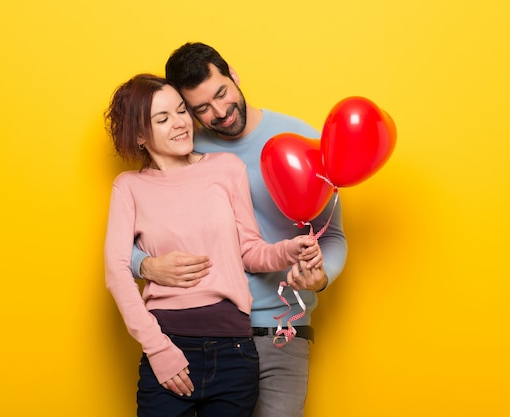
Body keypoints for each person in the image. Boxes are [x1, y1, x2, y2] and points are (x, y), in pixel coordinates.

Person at [130, 43, 348, 417]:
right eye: (200, 109)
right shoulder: (183, 148)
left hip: (282, 333)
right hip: (200, 333)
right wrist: (146, 266)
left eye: (222, 93)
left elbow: (333, 236)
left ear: (233, 75)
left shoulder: (301, 139)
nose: (220, 112)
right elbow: (133, 235)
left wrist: (320, 276)